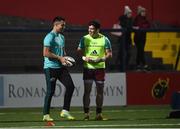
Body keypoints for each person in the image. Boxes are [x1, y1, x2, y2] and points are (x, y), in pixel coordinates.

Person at [77, 20, 112, 120]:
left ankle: (98, 114)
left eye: (92, 29)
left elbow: (109, 54)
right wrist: (84, 58)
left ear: (98, 29)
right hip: (88, 68)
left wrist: (100, 59)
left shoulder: (105, 39)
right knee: (87, 91)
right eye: (89, 29)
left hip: (100, 68)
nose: (90, 31)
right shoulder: (84, 38)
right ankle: (86, 114)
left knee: (100, 92)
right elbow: (78, 51)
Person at [42, 16, 75, 121]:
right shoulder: (49, 37)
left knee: (70, 86)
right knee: (51, 91)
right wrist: (59, 58)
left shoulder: (62, 37)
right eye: (62, 25)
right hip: (50, 67)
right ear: (56, 25)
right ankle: (46, 115)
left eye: (64, 25)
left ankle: (65, 111)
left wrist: (66, 59)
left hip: (61, 67)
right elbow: (45, 53)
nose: (64, 27)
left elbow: (62, 52)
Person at [133, 6, 151, 71]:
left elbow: (148, 26)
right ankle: (144, 64)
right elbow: (134, 26)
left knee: (139, 51)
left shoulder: (145, 19)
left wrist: (141, 27)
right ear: (140, 12)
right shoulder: (137, 18)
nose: (144, 13)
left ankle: (138, 65)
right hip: (137, 37)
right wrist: (140, 27)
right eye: (143, 12)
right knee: (141, 50)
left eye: (145, 12)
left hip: (143, 37)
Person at [118, 5, 133, 70]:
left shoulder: (130, 20)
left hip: (128, 39)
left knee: (128, 53)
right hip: (123, 39)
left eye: (131, 13)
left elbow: (130, 27)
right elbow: (126, 27)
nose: (130, 14)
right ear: (126, 13)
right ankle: (122, 66)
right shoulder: (123, 20)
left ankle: (126, 65)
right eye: (129, 13)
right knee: (122, 53)